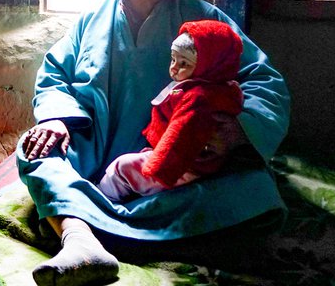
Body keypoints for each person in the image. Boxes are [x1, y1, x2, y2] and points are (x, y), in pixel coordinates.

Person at [17, 0, 290, 286]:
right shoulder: (92, 20)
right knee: (34, 151)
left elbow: (264, 80)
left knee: (258, 191)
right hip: (98, 154)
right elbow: (54, 75)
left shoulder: (204, 20)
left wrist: (238, 131)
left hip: (177, 162)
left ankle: (94, 224)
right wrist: (57, 120)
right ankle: (81, 241)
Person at [98, 20, 244, 202]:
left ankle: (101, 202)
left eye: (184, 63)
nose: (174, 67)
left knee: (121, 168)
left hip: (181, 166)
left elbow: (181, 133)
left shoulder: (198, 98)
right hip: (176, 158)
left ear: (207, 65)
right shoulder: (211, 87)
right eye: (173, 59)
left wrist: (162, 169)